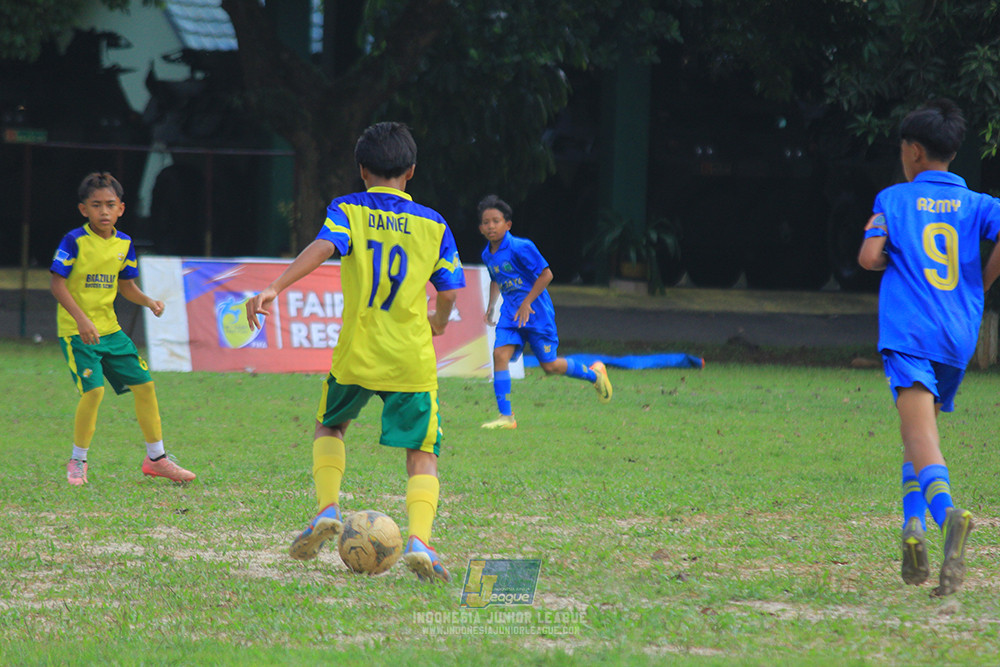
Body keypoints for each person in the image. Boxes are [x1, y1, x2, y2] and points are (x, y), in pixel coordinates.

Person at [246, 122, 464, 583]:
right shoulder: (435, 224)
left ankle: (327, 509)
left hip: (357, 353)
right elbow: (448, 291)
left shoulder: (348, 209)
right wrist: (440, 322)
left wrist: (275, 287)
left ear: (362, 170)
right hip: (410, 358)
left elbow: (323, 247)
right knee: (422, 450)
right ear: (411, 171)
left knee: (331, 425)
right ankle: (420, 541)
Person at [858, 99, 1000, 596]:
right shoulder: (977, 203)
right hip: (957, 335)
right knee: (918, 435)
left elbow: (869, 256)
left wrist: (891, 259)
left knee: (919, 436)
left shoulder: (893, 199)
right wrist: (982, 281)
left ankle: (946, 516)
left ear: (914, 151)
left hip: (910, 333)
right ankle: (911, 528)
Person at [50, 172, 196, 486]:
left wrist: (148, 301)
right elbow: (57, 284)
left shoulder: (124, 243)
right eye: (96, 205)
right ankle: (78, 460)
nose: (103, 211)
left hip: (111, 331)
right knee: (94, 391)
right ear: (83, 209)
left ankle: (156, 459)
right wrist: (81, 320)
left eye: (110, 204)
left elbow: (126, 286)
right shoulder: (74, 241)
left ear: (121, 208)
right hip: (77, 332)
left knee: (145, 386)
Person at [477, 194, 612, 430]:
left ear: (508, 224)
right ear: (480, 228)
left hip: (537, 314)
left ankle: (595, 375)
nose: (491, 226)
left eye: (496, 221)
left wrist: (527, 302)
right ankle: (506, 417)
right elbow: (496, 279)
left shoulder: (521, 247)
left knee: (549, 366)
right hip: (511, 315)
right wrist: (491, 305)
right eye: (486, 222)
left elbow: (547, 274)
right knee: (499, 355)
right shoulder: (487, 255)